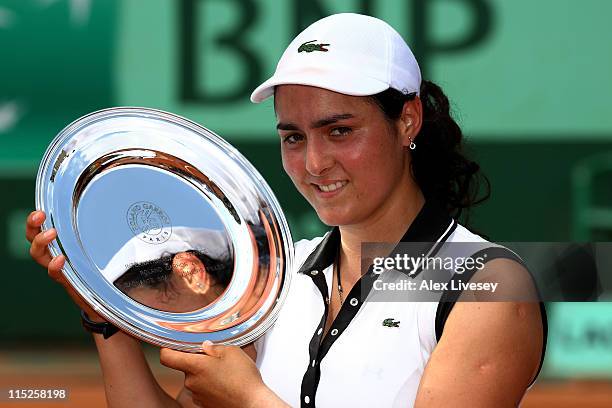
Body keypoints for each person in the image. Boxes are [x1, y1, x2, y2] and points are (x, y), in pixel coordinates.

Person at [27, 13, 546, 408]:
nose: (315, 163)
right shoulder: (276, 278)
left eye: (339, 131)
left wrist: (252, 399)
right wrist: (106, 318)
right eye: (293, 138)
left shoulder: (490, 287)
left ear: (407, 121)